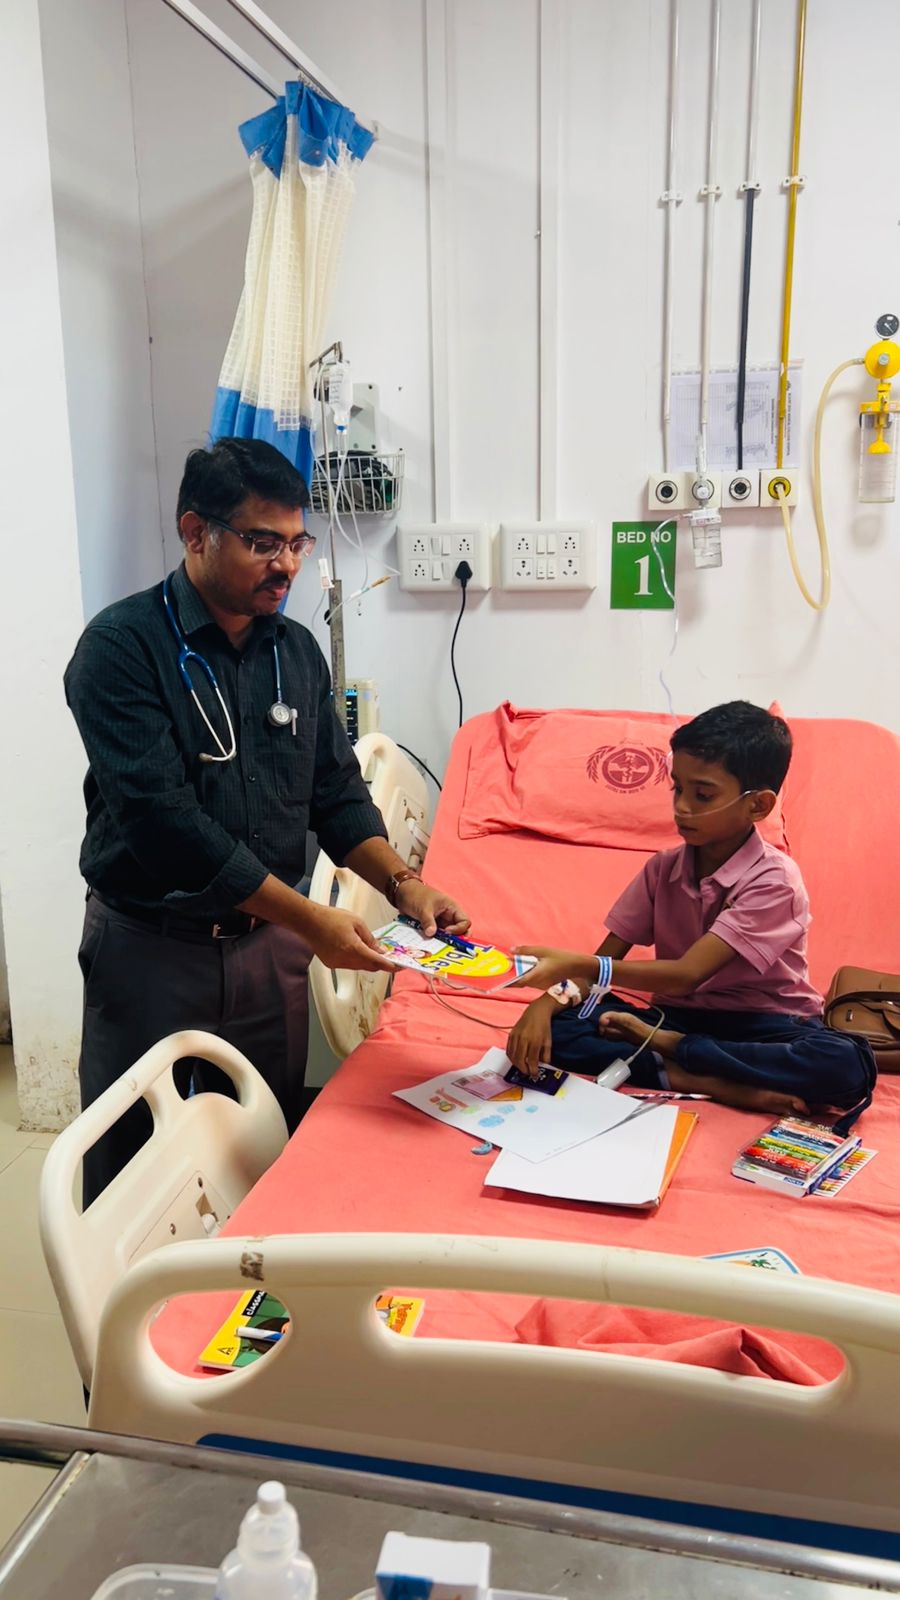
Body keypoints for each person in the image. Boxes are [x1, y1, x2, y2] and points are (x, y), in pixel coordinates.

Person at [65, 438, 469, 1205]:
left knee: (261, 1153)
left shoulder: (296, 653)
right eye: (261, 543)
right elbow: (165, 827)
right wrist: (312, 921)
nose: (286, 565)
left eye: (296, 543)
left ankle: (245, 1277)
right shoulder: (121, 650)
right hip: (153, 951)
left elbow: (336, 792)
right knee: (133, 1170)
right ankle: (130, 1284)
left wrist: (404, 884)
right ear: (196, 533)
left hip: (265, 955)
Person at [507, 701, 875, 1128]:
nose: (682, 807)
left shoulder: (775, 880)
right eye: (677, 789)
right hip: (677, 1017)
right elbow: (603, 965)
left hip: (765, 1025)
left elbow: (685, 975)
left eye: (703, 795)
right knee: (562, 1028)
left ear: (758, 805)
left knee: (844, 1066)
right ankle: (707, 1079)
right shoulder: (661, 869)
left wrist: (576, 965)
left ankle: (668, 1051)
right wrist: (545, 1004)